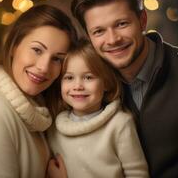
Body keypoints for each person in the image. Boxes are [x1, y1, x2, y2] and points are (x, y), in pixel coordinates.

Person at [70, 0, 178, 177]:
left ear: (142, 20)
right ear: (89, 37)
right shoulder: (87, 87)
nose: (113, 39)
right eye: (99, 31)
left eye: (122, 24)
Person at [0, 4, 77, 178]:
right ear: (14, 46)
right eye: (37, 50)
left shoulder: (38, 110)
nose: (43, 67)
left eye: (57, 59)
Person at [47, 39, 149, 178]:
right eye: (69, 77)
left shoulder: (120, 124)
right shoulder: (55, 128)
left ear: (106, 83)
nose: (77, 86)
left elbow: (138, 173)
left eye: (88, 77)